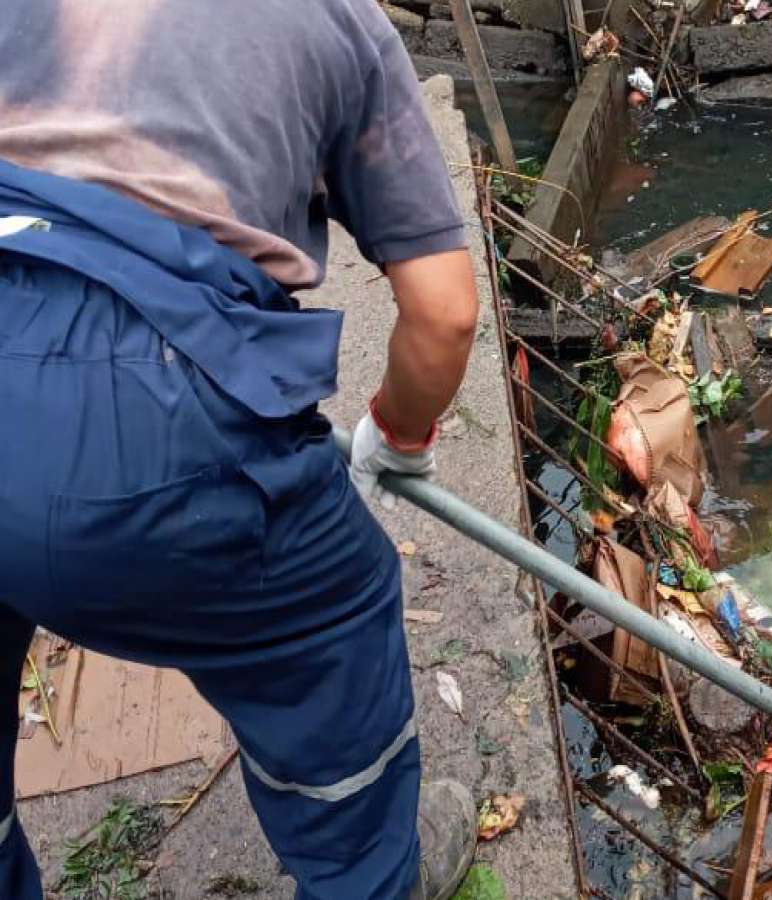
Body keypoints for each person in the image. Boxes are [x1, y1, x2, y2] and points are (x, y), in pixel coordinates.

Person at [0, 2, 481, 898]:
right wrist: (399, 438)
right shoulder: (338, 22)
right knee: (338, 610)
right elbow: (445, 311)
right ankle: (366, 868)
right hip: (160, 400)